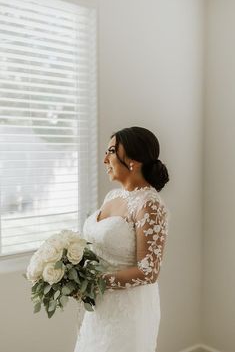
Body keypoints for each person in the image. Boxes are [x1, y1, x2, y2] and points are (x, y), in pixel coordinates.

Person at [74, 126, 169, 352]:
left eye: (111, 151)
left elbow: (149, 271)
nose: (105, 159)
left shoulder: (150, 204)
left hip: (127, 308)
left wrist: (96, 283)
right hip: (99, 306)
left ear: (133, 160)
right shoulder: (113, 196)